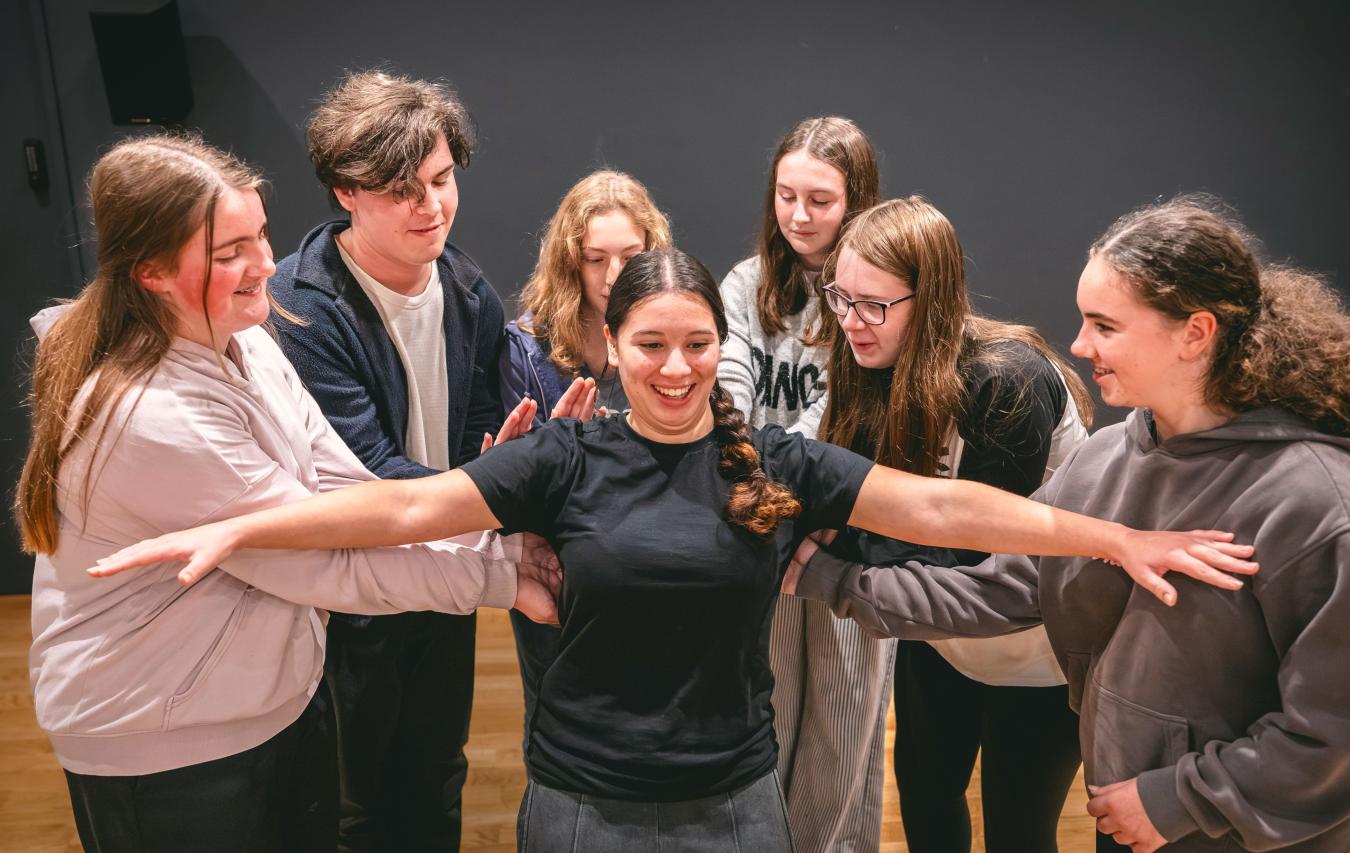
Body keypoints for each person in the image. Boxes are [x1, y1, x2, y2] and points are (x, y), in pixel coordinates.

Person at [94, 247, 1256, 853]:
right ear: (611, 340)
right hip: (581, 803)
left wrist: (1113, 535)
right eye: (650, 342)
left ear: (719, 345)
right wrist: (240, 522)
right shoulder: (560, 459)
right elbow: (400, 512)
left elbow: (945, 513)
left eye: (698, 342)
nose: (675, 366)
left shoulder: (777, 466)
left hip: (735, 802)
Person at [14, 134, 556, 853]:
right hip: (169, 744)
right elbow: (322, 559)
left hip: (272, 700)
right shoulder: (151, 418)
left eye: (260, 235)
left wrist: (499, 543)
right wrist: (502, 570)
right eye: (230, 251)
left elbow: (346, 492)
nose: (266, 265)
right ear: (149, 271)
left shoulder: (249, 336)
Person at [785, 196, 1349, 852]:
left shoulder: (1317, 500)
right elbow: (1001, 584)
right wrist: (827, 578)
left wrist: (1177, 798)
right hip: (1133, 811)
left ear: (1196, 333)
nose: (1078, 346)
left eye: (1105, 326)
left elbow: (1332, 732)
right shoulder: (1108, 460)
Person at [267, 70, 505, 852]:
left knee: (438, 771)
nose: (431, 206)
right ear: (346, 191)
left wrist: (499, 463)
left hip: (444, 569)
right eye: (403, 190)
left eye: (441, 181)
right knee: (358, 802)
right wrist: (492, 490)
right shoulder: (300, 304)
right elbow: (363, 470)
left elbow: (477, 430)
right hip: (353, 590)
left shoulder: (470, 289)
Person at [814, 197, 1092, 852]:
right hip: (939, 633)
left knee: (1017, 830)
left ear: (932, 300)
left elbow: (971, 564)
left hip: (1039, 649)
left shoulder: (1009, 380)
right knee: (925, 799)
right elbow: (863, 508)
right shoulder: (871, 358)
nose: (851, 322)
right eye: (840, 297)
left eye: (874, 304)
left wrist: (837, 556)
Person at [717, 116, 890, 851]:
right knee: (771, 709)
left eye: (819, 199)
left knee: (844, 729)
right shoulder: (747, 283)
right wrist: (755, 486)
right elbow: (726, 391)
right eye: (786, 194)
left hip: (848, 531)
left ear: (856, 203)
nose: (798, 214)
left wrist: (790, 497)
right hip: (764, 527)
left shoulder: (874, 288)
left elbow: (842, 413)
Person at [499, 169, 672, 728]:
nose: (613, 275)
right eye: (596, 258)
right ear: (570, 259)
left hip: (645, 562)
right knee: (554, 715)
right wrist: (550, 451)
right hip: (558, 568)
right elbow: (513, 486)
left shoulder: (669, 335)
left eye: (629, 255)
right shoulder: (526, 346)